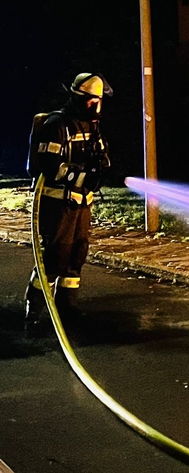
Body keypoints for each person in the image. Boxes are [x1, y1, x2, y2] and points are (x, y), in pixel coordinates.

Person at [24, 72, 112, 326]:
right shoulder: (57, 124)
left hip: (82, 203)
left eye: (98, 101)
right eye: (92, 100)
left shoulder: (92, 126)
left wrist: (100, 171)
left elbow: (102, 156)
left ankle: (67, 306)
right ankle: (35, 309)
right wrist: (83, 177)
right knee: (56, 255)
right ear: (78, 98)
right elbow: (50, 166)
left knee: (77, 253)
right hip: (57, 203)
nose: (96, 105)